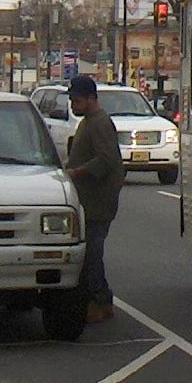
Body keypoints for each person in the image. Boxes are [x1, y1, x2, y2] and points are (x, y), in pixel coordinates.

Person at [65, 74, 125, 323]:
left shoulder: (100, 123)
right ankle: (94, 299)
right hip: (87, 200)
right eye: (71, 100)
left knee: (92, 253)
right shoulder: (88, 121)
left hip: (97, 202)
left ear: (91, 99)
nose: (72, 105)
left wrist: (76, 172)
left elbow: (106, 160)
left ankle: (101, 301)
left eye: (76, 100)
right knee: (88, 253)